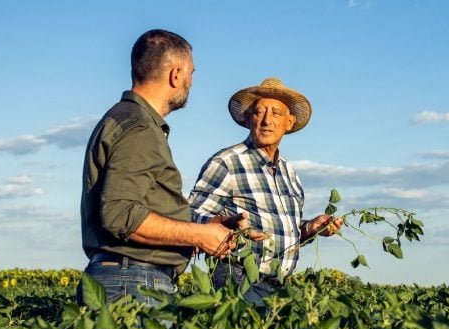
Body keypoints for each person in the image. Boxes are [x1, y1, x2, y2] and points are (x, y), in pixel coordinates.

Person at [78, 29, 242, 305]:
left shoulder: (127, 119)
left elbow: (137, 208)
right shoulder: (140, 127)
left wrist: (206, 226)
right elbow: (120, 213)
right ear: (176, 74)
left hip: (125, 277)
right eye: (191, 72)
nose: (190, 81)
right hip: (133, 282)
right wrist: (200, 236)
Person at [189, 77, 343, 307]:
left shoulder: (289, 173)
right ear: (248, 118)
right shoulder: (228, 162)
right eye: (259, 112)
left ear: (289, 122)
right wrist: (227, 222)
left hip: (279, 287)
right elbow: (189, 214)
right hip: (238, 278)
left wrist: (311, 228)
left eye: (276, 114)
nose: (266, 121)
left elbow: (285, 232)